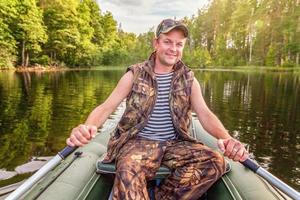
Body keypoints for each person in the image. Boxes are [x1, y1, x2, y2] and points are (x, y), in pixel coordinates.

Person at [66, 19, 249, 200]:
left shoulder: (189, 79)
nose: (173, 48)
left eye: (179, 44)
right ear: (156, 43)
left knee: (214, 161)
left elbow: (204, 114)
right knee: (129, 167)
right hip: (136, 143)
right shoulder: (134, 74)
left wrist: (227, 138)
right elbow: (107, 107)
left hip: (174, 144)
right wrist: (87, 126)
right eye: (167, 41)